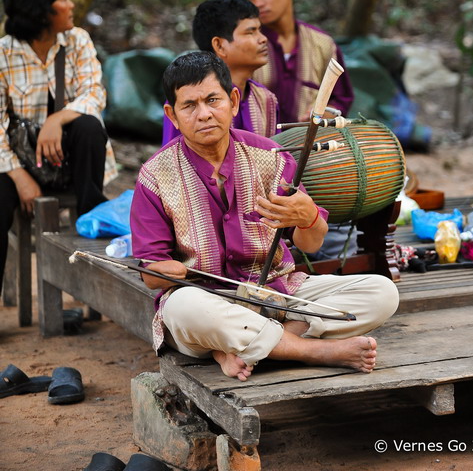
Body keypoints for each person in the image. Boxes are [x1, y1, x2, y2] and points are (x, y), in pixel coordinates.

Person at [131, 52, 398, 381]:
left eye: (213, 100)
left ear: (232, 100)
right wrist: (165, 271)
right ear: (172, 115)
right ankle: (311, 350)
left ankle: (242, 347)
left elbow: (311, 244)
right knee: (182, 307)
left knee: (382, 293)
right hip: (210, 305)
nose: (203, 114)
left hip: (278, 293)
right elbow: (152, 276)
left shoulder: (270, 157)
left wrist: (309, 217)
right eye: (190, 105)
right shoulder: (155, 176)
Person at [0, 0, 116, 293]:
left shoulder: (77, 40)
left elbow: (95, 93)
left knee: (89, 126)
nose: (72, 4)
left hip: (74, 164)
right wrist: (19, 176)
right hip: (20, 167)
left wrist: (57, 118)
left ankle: (94, 243)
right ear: (41, 10)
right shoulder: (4, 54)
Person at [234, 0, 354, 124]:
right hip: (259, 149)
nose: (257, 3)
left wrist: (327, 114)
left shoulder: (323, 44)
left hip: (313, 148)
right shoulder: (243, 44)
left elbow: (341, 99)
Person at [162, 0, 279, 143]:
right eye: (250, 32)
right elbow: (173, 160)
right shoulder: (185, 100)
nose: (263, 39)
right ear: (219, 45)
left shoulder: (266, 99)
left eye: (259, 30)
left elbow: (277, 157)